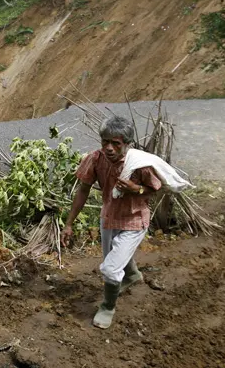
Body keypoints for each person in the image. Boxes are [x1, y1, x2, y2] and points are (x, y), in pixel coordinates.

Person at [61, 115, 162, 329]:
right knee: (116, 258)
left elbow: (155, 189)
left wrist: (137, 190)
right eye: (104, 141)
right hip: (108, 217)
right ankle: (133, 275)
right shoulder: (95, 159)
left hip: (134, 220)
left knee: (110, 268)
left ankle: (107, 307)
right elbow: (83, 190)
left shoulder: (140, 165)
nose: (109, 148)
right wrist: (69, 223)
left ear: (127, 144)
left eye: (115, 143)